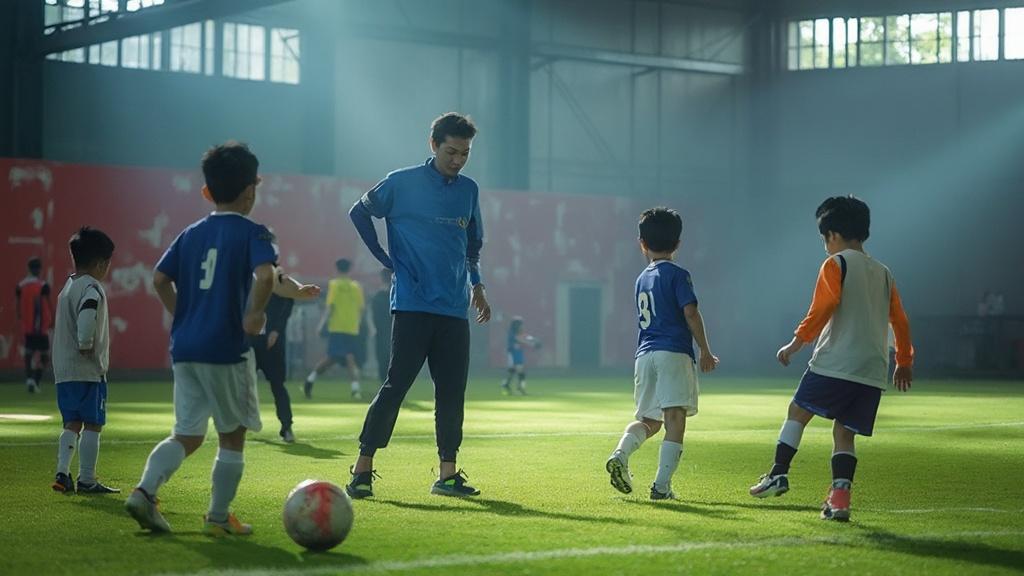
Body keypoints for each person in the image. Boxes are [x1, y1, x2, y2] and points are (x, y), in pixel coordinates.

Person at [125, 142, 319, 535]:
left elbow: (160, 279)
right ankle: (217, 518)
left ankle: (144, 492)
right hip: (226, 350)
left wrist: (184, 315)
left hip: (186, 348)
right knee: (232, 435)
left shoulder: (190, 234)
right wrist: (254, 314)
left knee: (187, 433)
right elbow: (265, 276)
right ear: (251, 190)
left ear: (207, 192)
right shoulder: (255, 232)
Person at [347, 112, 491, 499]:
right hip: (411, 304)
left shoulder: (469, 190)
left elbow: (473, 247)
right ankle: (362, 469)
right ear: (433, 145)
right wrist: (382, 256)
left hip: (453, 309)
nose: (458, 160)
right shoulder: (400, 183)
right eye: (451, 151)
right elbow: (359, 212)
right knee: (396, 386)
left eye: (465, 153)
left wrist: (477, 286)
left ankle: (447, 475)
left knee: (451, 391)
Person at [748, 195, 913, 523]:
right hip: (872, 368)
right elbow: (900, 321)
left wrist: (796, 343)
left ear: (833, 234)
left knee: (797, 411)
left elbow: (823, 307)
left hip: (836, 360)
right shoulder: (883, 273)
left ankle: (778, 474)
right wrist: (904, 359)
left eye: (824, 239)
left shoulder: (836, 264)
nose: (824, 246)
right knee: (844, 433)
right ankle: (839, 500)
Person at [605, 208, 718, 501]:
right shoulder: (678, 275)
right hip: (673, 353)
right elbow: (690, 312)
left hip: (644, 355)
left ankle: (620, 453)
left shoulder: (641, 278)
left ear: (641, 243)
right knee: (675, 417)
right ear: (678, 243)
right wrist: (705, 349)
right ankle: (661, 487)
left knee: (649, 420)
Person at [51, 227, 119, 495]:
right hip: (88, 369)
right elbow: (88, 316)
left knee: (71, 423)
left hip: (64, 370)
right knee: (93, 423)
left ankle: (62, 472)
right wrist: (86, 344)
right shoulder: (92, 288)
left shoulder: (67, 287)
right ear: (101, 263)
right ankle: (87, 479)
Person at [304, 258, 365, 400]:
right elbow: (361, 308)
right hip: (351, 328)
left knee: (337, 358)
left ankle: (310, 380)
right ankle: (355, 390)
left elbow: (329, 307)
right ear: (350, 270)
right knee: (342, 358)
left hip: (337, 327)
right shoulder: (356, 287)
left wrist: (320, 325)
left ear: (337, 269)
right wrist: (360, 324)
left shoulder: (334, 285)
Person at [251, 293, 296, 443]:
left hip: (272, 343)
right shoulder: (246, 276)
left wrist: (277, 329)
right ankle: (236, 426)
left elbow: (289, 300)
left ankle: (287, 426)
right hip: (250, 340)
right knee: (242, 385)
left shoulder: (279, 280)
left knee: (278, 386)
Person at [16, 257, 53, 393]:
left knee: (28, 353)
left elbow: (18, 307)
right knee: (44, 356)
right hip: (41, 327)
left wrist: (20, 321)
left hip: (27, 327)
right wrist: (52, 321)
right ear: (39, 270)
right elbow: (48, 305)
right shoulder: (43, 286)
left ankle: (30, 379)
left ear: (28, 269)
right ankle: (36, 380)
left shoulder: (20, 286)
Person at [501, 316, 540, 395]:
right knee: (520, 371)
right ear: (516, 325)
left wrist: (533, 339)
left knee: (513, 371)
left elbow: (525, 336)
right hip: (513, 354)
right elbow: (521, 339)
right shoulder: (512, 333)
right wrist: (532, 344)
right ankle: (520, 387)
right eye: (520, 324)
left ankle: (507, 384)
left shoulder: (518, 332)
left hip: (518, 353)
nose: (522, 326)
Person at [370, 268, 393, 385]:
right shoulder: (396, 294)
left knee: (382, 359)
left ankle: (384, 385)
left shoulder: (377, 296)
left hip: (381, 332)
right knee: (393, 360)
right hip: (395, 331)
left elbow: (374, 316)